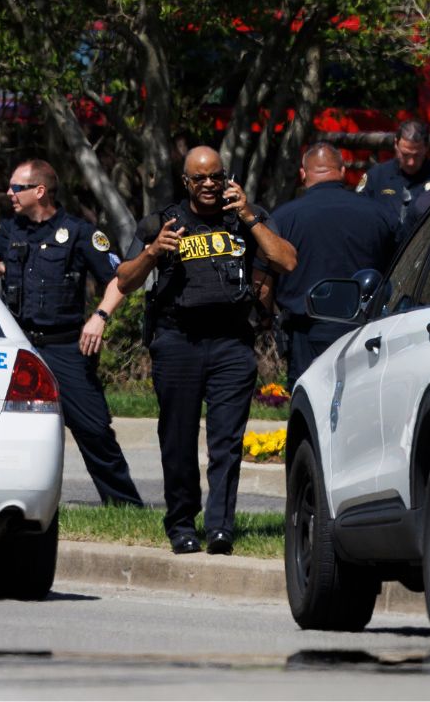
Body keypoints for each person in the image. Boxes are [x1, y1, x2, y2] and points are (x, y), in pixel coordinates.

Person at [116, 147, 297, 555]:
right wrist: (152, 252)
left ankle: (219, 527)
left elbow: (286, 261)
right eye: (201, 179)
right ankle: (181, 523)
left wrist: (250, 217)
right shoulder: (162, 221)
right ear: (187, 183)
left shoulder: (246, 218)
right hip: (178, 341)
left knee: (226, 443)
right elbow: (124, 282)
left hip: (232, 343)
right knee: (177, 440)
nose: (211, 185)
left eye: (217, 176)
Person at [0, 160, 143, 507]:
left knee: (93, 429)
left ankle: (124, 504)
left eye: (17, 188)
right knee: (6, 429)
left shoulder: (78, 232)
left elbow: (119, 279)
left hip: (65, 346)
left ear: (39, 191)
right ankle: (6, 503)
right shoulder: (9, 230)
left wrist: (100, 316)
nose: (9, 194)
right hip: (20, 347)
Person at [267, 142, 401, 382]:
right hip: (366, 330)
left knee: (308, 406)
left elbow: (264, 281)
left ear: (303, 174)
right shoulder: (380, 215)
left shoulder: (283, 219)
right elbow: (398, 271)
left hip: (305, 332)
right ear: (341, 171)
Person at [360, 118, 430, 208]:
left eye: (417, 155)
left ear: (426, 148)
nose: (411, 162)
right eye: (405, 155)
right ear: (396, 144)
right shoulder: (376, 177)